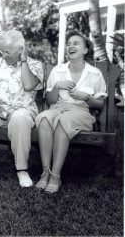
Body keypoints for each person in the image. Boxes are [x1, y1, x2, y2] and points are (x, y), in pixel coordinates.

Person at [35, 30, 107, 193]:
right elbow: (50, 101)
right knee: (44, 117)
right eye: (68, 44)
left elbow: (100, 105)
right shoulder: (57, 71)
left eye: (76, 43)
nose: (70, 46)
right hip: (58, 107)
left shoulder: (94, 74)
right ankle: (45, 172)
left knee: (63, 121)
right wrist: (57, 86)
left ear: (85, 50)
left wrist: (86, 97)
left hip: (81, 112)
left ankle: (55, 175)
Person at [0, 30, 44, 187]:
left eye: (7, 51)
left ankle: (22, 170)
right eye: (0, 50)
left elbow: (28, 85)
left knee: (20, 117)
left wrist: (24, 61)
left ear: (21, 49)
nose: (2, 54)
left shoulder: (35, 65)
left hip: (23, 111)